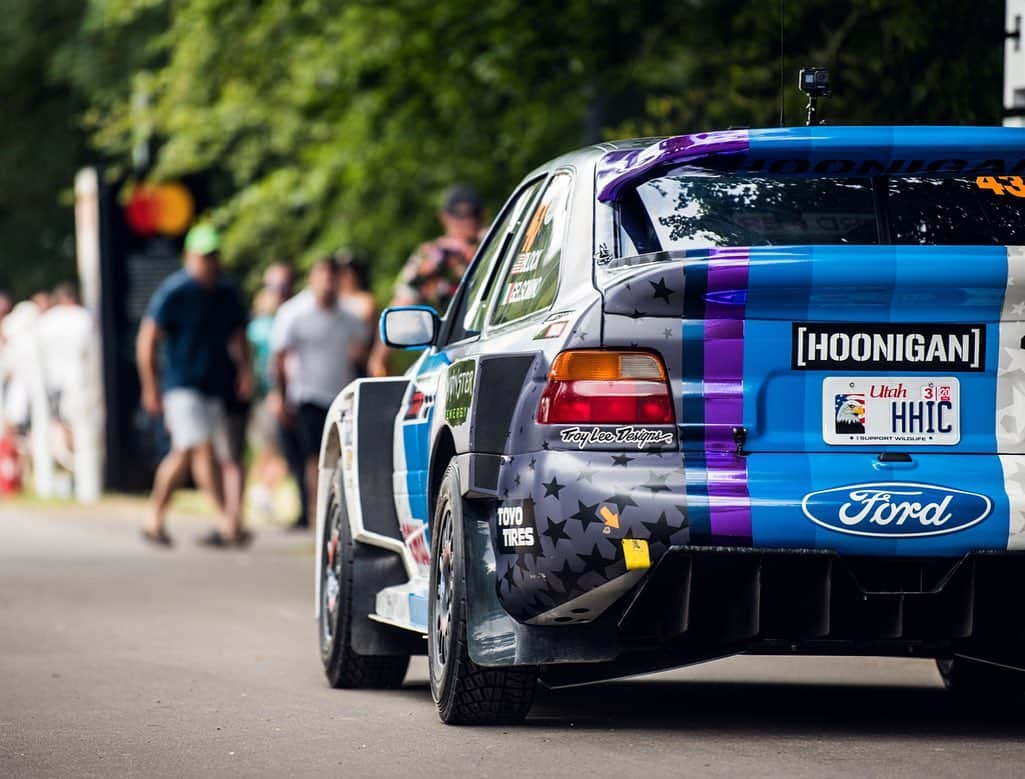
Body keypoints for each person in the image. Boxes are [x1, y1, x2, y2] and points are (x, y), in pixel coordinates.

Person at [136, 224, 253, 547]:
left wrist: (245, 370)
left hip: (213, 385)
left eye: (214, 255)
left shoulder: (226, 294)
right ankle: (223, 520)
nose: (210, 262)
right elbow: (147, 339)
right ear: (190, 257)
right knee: (197, 448)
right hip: (181, 384)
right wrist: (151, 386)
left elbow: (238, 336)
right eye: (204, 256)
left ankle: (158, 517)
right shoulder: (176, 292)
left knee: (191, 453)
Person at [269, 258, 368, 530]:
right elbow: (277, 357)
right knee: (314, 455)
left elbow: (362, 354)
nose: (328, 282)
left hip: (340, 396)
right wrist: (279, 394)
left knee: (341, 456)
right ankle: (316, 512)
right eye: (323, 275)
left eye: (333, 277)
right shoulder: (293, 313)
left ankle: (334, 511)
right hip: (305, 395)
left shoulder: (350, 316)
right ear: (312, 278)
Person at [367, 184, 484, 377]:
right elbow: (401, 305)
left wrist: (379, 357)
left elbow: (400, 307)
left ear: (444, 217)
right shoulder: (502, 241)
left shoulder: (432, 256)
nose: (465, 222)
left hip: (458, 351)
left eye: (469, 215)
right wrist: (379, 357)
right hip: (498, 339)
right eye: (461, 216)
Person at [36, 283, 103, 502]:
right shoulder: (83, 318)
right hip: (80, 384)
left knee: (53, 435)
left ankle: (50, 485)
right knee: (84, 436)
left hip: (55, 384)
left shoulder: (48, 321)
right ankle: (87, 489)